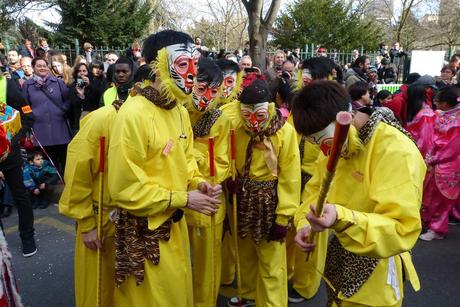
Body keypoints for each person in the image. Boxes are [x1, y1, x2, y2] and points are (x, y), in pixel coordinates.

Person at [107, 30, 221, 307]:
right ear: (157, 66)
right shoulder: (133, 114)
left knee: (179, 295)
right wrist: (183, 198)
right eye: (183, 64)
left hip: (175, 226)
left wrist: (197, 184)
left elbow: (186, 162)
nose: (193, 73)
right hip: (144, 233)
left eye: (195, 62)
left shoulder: (180, 110)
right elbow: (125, 188)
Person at [292, 80, 425, 307]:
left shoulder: (395, 150)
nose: (325, 151)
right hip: (339, 256)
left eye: (325, 142)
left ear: (348, 116)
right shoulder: (336, 142)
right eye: (317, 144)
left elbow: (402, 228)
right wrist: (304, 222)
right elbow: (315, 191)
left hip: (378, 268)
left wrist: (342, 218)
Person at [228, 79, 300, 307]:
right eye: (247, 116)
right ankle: (248, 294)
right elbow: (225, 157)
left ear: (269, 109)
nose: (253, 123)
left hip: (271, 204)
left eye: (259, 116)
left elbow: (291, 177)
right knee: (246, 252)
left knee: (271, 261)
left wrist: (283, 217)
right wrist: (229, 179)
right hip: (242, 201)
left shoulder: (285, 133)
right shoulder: (236, 129)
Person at [184, 57, 230, 307]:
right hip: (176, 201)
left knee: (206, 264)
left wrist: (190, 156)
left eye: (213, 92)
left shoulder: (220, 119)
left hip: (207, 198)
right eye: (201, 90)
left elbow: (222, 163)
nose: (206, 97)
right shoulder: (177, 111)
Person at [0, 66, 37, 258]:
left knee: (19, 194)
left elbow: (27, 114)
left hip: (9, 153)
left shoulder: (7, 85)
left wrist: (14, 139)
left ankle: (27, 237)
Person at [420, 86, 460, 241]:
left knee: (443, 198)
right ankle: (431, 223)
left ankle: (437, 229)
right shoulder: (448, 115)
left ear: (446, 103)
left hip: (449, 162)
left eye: (438, 101)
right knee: (432, 193)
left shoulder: (456, 121)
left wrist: (435, 157)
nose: (435, 103)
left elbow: (453, 146)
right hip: (439, 159)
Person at [22, 57, 72, 174]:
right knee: (48, 163)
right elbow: (24, 105)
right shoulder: (28, 85)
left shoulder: (57, 82)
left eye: (44, 65)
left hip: (60, 128)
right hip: (40, 130)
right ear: (33, 68)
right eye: (39, 66)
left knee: (65, 161)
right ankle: (53, 187)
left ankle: (67, 184)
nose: (42, 68)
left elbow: (68, 99)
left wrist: (63, 110)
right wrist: (31, 116)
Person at [404, 83, 436, 159]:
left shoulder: (426, 115)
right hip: (411, 148)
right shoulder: (418, 110)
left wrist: (414, 153)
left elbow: (425, 141)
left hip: (417, 153)